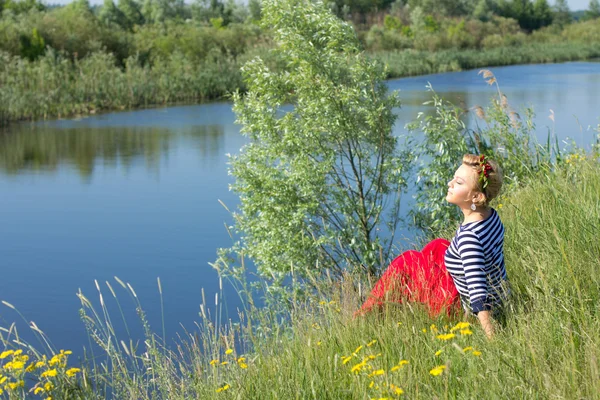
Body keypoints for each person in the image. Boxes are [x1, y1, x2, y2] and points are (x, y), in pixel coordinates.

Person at [356, 154, 508, 339]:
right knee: (439, 246)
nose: (449, 184)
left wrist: (491, 337)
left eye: (458, 183)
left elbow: (478, 293)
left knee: (407, 261)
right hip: (498, 296)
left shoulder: (470, 239)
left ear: (475, 197)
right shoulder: (490, 215)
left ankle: (366, 314)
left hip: (459, 307)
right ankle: (376, 306)